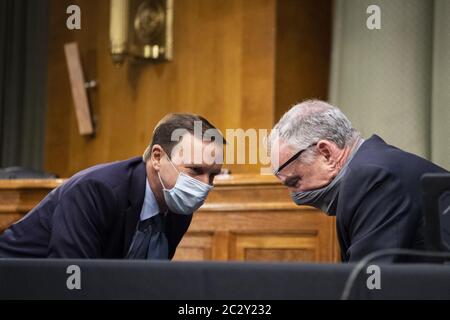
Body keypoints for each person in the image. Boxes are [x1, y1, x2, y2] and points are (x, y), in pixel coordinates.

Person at [0, 114, 224, 259]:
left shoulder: (177, 207)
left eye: (213, 175)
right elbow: (72, 280)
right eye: (195, 170)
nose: (204, 186)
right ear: (157, 157)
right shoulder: (95, 191)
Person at [269, 100, 448, 262]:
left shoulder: (371, 178)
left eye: (295, 182)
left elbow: (370, 283)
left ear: (326, 153)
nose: (297, 196)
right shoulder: (377, 163)